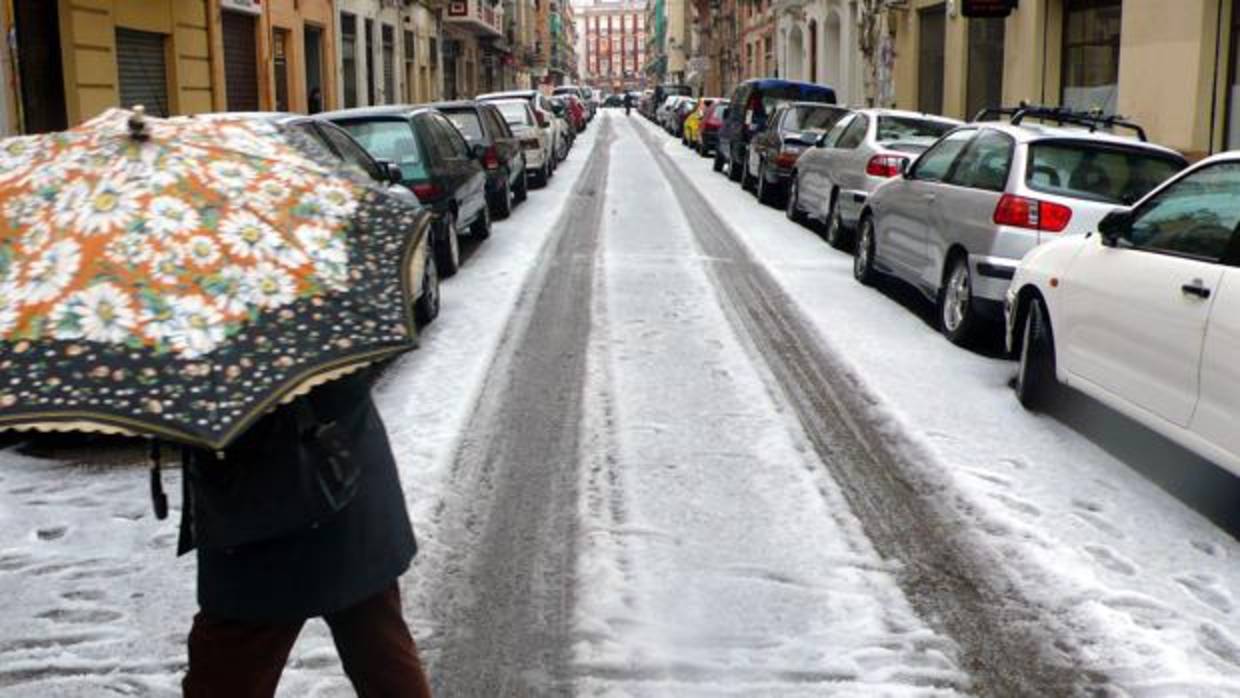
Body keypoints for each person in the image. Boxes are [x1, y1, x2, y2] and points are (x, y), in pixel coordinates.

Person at [178, 372, 431, 697]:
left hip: (265, 507)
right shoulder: (319, 327)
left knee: (227, 668)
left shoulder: (215, 336)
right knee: (380, 650)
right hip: (346, 473)